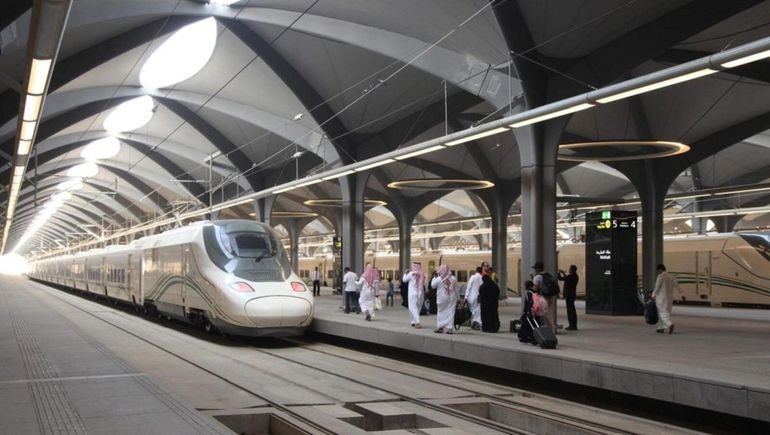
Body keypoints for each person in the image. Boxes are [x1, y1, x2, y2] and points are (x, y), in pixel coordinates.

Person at [653, 263, 680, 334]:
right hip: (669, 298)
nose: (657, 272)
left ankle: (669, 324)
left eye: (658, 271)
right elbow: (677, 285)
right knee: (667, 312)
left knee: (662, 312)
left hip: (661, 298)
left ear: (660, 269)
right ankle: (660, 328)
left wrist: (653, 295)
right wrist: (681, 291)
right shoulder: (671, 276)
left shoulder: (660, 276)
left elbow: (657, 287)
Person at [431, 265, 458, 334]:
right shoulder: (453, 278)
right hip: (451, 298)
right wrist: (458, 298)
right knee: (451, 312)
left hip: (442, 298)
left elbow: (433, 286)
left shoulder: (439, 279)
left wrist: (434, 277)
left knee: (441, 312)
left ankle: (440, 327)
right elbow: (456, 289)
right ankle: (450, 328)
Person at [532, 261, 557, 332]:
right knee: (549, 315)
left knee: (539, 316)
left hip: (540, 299)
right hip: (549, 298)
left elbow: (535, 289)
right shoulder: (549, 276)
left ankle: (541, 331)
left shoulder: (537, 277)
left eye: (535, 269)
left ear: (537, 269)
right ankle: (551, 331)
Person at [402, 262, 425, 328]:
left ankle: (417, 322)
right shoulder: (421, 273)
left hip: (412, 294)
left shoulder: (411, 273)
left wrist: (405, 273)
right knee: (417, 308)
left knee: (412, 308)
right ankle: (413, 321)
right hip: (420, 294)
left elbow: (404, 280)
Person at [558, 265, 579, 330]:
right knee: (572, 310)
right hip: (571, 295)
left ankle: (572, 325)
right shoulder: (575, 276)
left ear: (572, 270)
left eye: (570, 269)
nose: (569, 270)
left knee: (570, 311)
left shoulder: (571, 276)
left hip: (569, 295)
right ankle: (573, 325)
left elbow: (561, 278)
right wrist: (563, 273)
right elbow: (566, 278)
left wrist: (559, 273)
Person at [465, 266, 483, 330]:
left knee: (472, 310)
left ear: (476, 270)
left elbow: (469, 286)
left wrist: (466, 296)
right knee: (478, 310)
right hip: (478, 297)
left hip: (471, 297)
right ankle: (477, 323)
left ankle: (474, 323)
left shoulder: (473, 277)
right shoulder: (482, 278)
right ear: (481, 271)